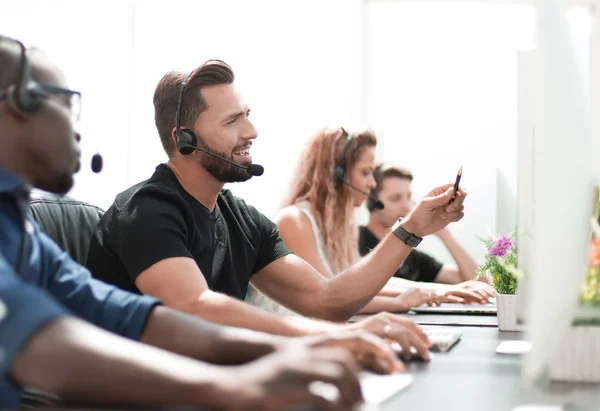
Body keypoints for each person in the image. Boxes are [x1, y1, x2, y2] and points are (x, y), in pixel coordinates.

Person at [0, 35, 403, 410]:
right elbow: (42, 340)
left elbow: (128, 315)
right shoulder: (146, 210)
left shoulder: (20, 232)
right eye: (66, 104)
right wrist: (234, 386)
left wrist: (321, 339)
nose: (77, 128)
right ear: (16, 105)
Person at [86, 59, 467, 360]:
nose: (251, 131)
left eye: (247, 114)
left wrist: (412, 227)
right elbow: (194, 307)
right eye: (233, 120)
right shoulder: (146, 211)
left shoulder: (239, 217)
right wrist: (340, 336)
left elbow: (327, 301)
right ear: (183, 139)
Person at [247, 127, 488, 316]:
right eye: (365, 172)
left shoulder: (338, 228)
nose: (371, 183)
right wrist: (407, 300)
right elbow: (331, 298)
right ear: (335, 175)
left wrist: (439, 291)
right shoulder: (295, 220)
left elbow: (365, 283)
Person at [360, 162, 495, 297]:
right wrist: (437, 291)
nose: (407, 206)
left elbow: (480, 284)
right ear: (371, 201)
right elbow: (367, 286)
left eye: (408, 197)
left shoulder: (411, 255)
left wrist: (444, 234)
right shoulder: (353, 239)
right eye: (395, 199)